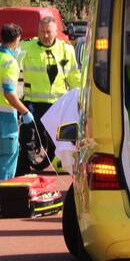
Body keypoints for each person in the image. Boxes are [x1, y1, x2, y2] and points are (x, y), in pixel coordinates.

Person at [0, 23, 36, 217]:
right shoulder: (10, 62)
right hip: (6, 116)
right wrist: (24, 112)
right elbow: (9, 94)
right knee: (7, 161)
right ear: (16, 40)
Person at [17, 16, 81, 174]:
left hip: (58, 104)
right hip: (33, 102)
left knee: (60, 140)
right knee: (27, 137)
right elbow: (12, 69)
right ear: (38, 31)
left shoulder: (66, 49)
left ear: (56, 32)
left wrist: (81, 97)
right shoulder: (26, 48)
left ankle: (63, 165)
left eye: (49, 32)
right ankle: (23, 170)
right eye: (42, 32)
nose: (45, 35)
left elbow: (73, 76)